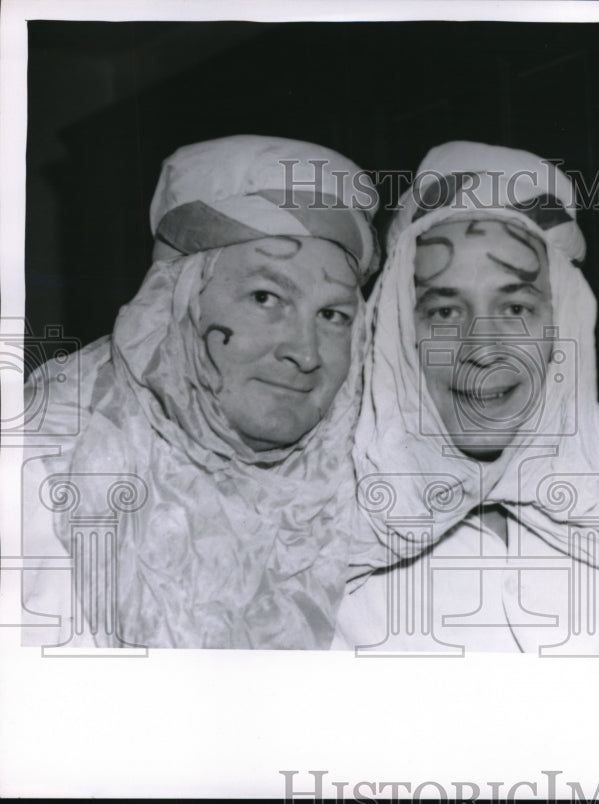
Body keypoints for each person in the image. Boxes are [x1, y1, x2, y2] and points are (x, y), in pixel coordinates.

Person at [21, 135, 381, 649]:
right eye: (265, 297)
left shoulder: (361, 481)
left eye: (332, 315)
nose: (306, 352)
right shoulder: (44, 468)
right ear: (176, 297)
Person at [332, 141, 599, 655]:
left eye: (515, 307)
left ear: (565, 322)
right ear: (401, 333)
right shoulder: (325, 513)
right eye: (445, 313)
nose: (484, 350)